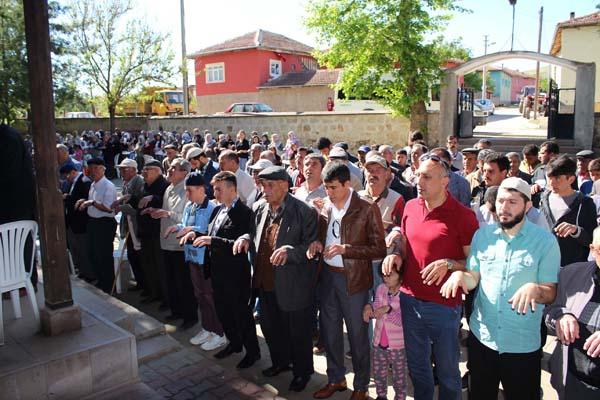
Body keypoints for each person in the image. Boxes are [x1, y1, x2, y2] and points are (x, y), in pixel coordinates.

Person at [441, 177, 560, 399]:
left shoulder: (545, 242)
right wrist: (460, 275)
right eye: (501, 201)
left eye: (512, 202)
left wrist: (535, 289)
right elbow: (473, 277)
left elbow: (550, 292)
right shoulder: (482, 235)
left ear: (527, 205)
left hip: (522, 344)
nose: (504, 208)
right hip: (482, 338)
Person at [382, 154, 479, 400]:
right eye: (417, 175)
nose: (418, 181)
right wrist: (396, 256)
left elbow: (475, 264)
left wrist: (449, 264)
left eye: (426, 177)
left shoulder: (464, 216)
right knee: (418, 367)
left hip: (444, 306)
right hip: (409, 299)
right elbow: (405, 245)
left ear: (445, 181)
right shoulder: (411, 206)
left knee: (447, 371)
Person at [234, 166, 318, 393]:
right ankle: (280, 362)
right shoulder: (260, 207)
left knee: (298, 333)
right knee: (271, 328)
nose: (264, 190)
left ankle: (303, 372)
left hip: (292, 285)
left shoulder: (304, 211)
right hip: (263, 282)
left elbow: (312, 249)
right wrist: (244, 237)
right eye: (262, 185)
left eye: (269, 185)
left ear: (284, 185)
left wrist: (290, 252)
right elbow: (253, 234)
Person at [310, 162, 386, 400]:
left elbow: (379, 250)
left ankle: (361, 386)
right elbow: (324, 235)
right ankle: (336, 379)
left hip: (354, 282)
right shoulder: (326, 207)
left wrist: (346, 249)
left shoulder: (366, 208)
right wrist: (317, 243)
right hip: (328, 279)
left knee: (357, 336)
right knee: (330, 332)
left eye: (333, 188)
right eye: (326, 188)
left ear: (346, 184)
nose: (328, 193)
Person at [184, 171, 260, 366]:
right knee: (224, 312)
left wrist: (212, 240)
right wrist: (194, 233)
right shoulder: (218, 210)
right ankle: (234, 343)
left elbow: (241, 243)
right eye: (214, 188)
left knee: (241, 313)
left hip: (235, 274)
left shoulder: (244, 213)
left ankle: (252, 353)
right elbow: (211, 233)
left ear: (232, 189)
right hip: (217, 271)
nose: (214, 192)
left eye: (218, 189)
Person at [164, 172, 223, 350]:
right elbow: (184, 224)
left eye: (189, 191)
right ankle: (207, 328)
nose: (187, 195)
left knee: (210, 295)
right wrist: (177, 227)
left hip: (207, 259)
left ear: (201, 189)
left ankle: (219, 332)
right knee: (200, 295)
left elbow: (210, 231)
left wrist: (191, 229)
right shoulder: (190, 206)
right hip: (191, 257)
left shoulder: (212, 207)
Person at [545, 226, 600, 399]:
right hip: (573, 381)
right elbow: (550, 309)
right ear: (592, 249)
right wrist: (562, 315)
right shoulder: (571, 274)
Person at [149, 158, 197, 329]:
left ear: (184, 172)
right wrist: (156, 211)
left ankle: (189, 317)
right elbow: (167, 211)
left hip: (179, 244)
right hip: (167, 242)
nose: (169, 170)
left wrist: (167, 213)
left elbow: (185, 217)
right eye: (168, 167)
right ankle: (176, 310)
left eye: (173, 168)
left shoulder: (187, 190)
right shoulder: (169, 188)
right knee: (171, 280)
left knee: (183, 282)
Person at [539, 155, 598, 266]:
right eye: (549, 177)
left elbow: (592, 240)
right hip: (544, 265)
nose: (552, 183)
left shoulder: (585, 203)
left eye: (557, 178)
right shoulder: (542, 199)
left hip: (573, 268)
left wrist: (576, 231)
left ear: (571, 179)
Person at [363, 265, 407, 400]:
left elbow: (402, 320)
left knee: (399, 376)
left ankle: (400, 397)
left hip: (398, 347)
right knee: (379, 374)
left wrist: (388, 310)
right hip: (379, 344)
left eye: (390, 275)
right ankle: (381, 396)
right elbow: (376, 305)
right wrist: (369, 307)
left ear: (400, 276)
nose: (385, 278)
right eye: (383, 274)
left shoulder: (405, 294)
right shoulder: (381, 288)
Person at [76, 158, 117, 293]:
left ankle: (109, 285)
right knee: (93, 253)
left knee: (104, 255)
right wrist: (85, 201)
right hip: (93, 222)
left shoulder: (108, 185)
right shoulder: (93, 184)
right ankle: (100, 281)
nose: (92, 171)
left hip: (104, 223)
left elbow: (108, 208)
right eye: (90, 168)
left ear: (102, 169)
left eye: (95, 168)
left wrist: (92, 203)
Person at [137, 159, 170, 304]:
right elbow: (140, 201)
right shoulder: (145, 185)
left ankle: (165, 297)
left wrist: (153, 198)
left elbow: (166, 202)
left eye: (147, 169)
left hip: (157, 232)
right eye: (143, 169)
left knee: (160, 267)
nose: (144, 172)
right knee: (148, 264)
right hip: (145, 231)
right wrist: (130, 198)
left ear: (157, 171)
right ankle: (154, 292)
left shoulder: (164, 185)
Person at [112, 158, 145, 292]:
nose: (121, 172)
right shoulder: (126, 183)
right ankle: (140, 282)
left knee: (140, 257)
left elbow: (138, 207)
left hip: (137, 225)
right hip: (129, 225)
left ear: (133, 169)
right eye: (120, 169)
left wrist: (121, 208)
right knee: (132, 256)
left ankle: (145, 284)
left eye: (124, 169)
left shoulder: (139, 182)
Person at [61, 163, 93, 281]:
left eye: (67, 175)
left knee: (83, 249)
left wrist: (67, 198)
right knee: (76, 249)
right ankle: (82, 271)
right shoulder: (70, 183)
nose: (66, 178)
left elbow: (85, 198)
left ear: (73, 172)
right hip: (72, 222)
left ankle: (89, 273)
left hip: (81, 222)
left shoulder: (84, 181)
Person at [531, 141, 560, 207]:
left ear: (552, 155)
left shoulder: (563, 171)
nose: (539, 156)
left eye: (542, 153)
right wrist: (533, 186)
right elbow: (532, 183)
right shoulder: (539, 170)